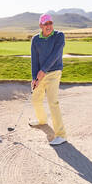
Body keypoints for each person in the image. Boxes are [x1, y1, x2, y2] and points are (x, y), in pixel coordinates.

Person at [30, 13, 67, 146]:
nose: (49, 26)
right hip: (40, 74)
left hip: (54, 73)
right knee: (36, 99)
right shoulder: (35, 39)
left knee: (53, 102)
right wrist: (35, 77)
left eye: (50, 23)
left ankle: (61, 135)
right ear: (40, 25)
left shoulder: (59, 36)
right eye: (46, 24)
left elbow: (55, 55)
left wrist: (43, 71)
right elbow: (34, 60)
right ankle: (42, 121)